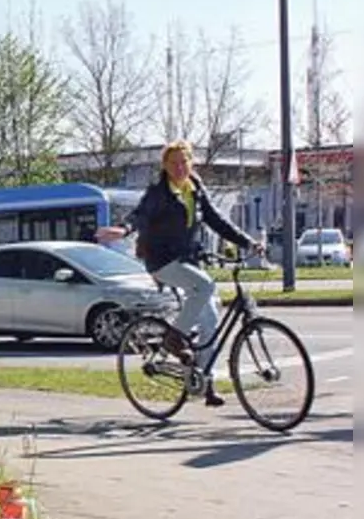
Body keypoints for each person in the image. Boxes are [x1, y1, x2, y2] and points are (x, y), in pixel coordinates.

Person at [97, 140, 264, 407]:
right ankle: (174, 338)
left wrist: (247, 242)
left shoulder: (194, 187)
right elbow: (140, 215)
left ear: (191, 163)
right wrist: (124, 229)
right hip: (161, 261)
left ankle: (203, 382)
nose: (179, 167)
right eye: (173, 163)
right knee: (206, 286)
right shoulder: (158, 192)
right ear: (165, 166)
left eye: (184, 162)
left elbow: (216, 220)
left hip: (188, 260)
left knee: (210, 322)